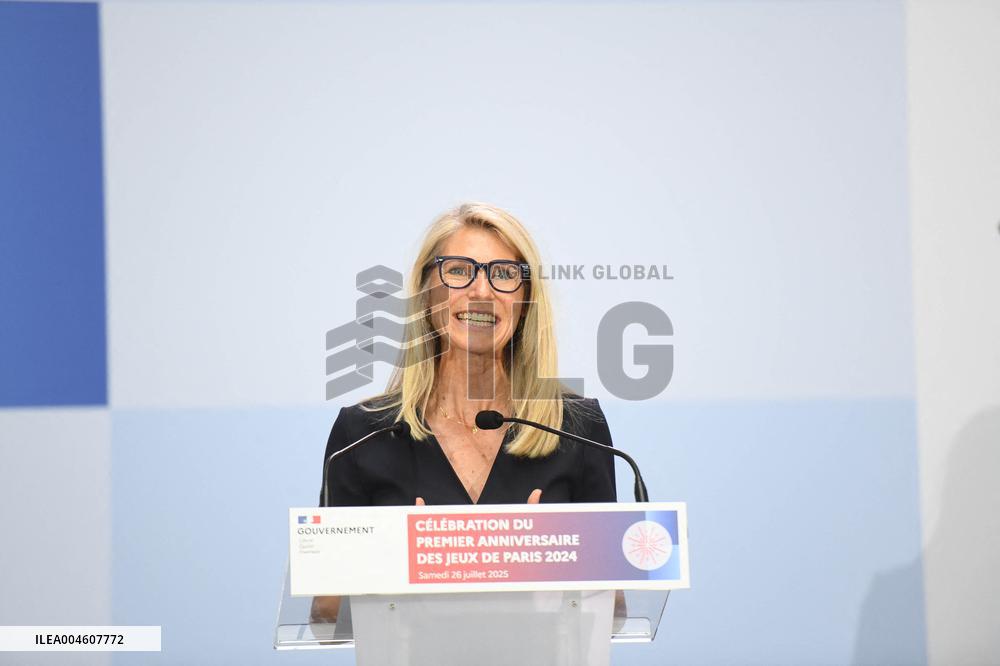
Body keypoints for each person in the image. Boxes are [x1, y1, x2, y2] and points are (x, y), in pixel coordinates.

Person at [311, 202, 618, 622]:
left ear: (526, 300)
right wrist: (397, 572)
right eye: (459, 271)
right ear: (426, 292)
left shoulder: (578, 427)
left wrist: (551, 573)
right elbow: (326, 613)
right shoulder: (362, 434)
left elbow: (615, 608)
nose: (482, 292)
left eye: (504, 274)